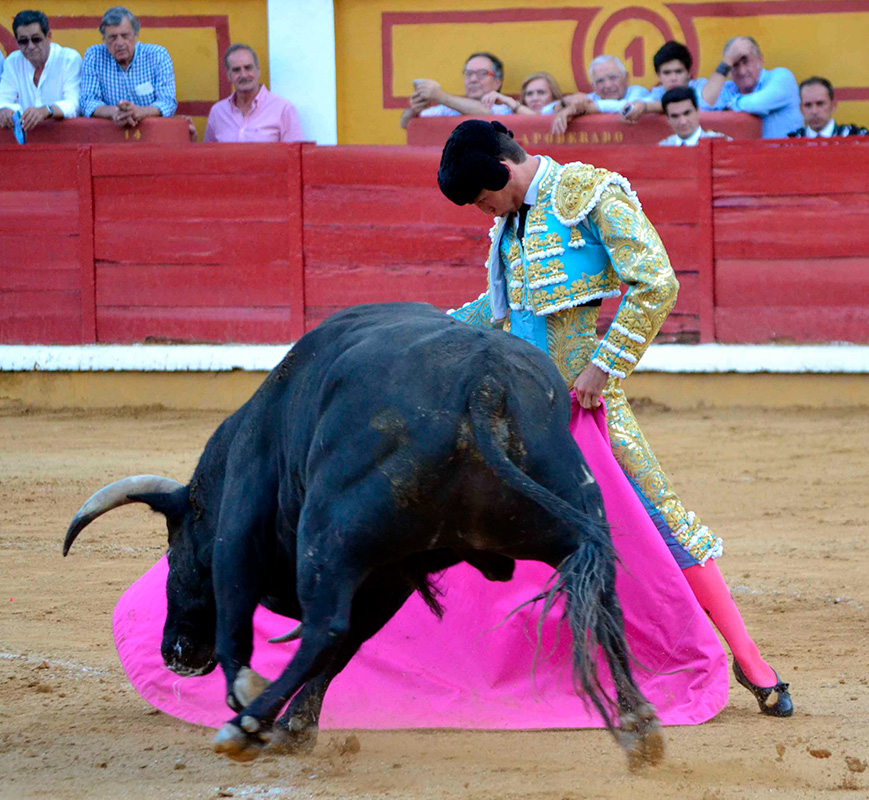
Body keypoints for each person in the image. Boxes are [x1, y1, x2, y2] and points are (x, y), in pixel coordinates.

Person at [438, 119, 794, 717]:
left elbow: (656, 282)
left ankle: (749, 658)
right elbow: (505, 312)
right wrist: (435, 328)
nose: (483, 212)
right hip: (524, 414)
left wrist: (604, 369)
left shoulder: (590, 194)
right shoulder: (511, 223)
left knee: (662, 522)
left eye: (481, 198)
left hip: (587, 412)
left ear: (503, 171)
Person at [80, 5, 176, 127]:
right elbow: (87, 101)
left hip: (151, 135)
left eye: (125, 36)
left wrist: (140, 112)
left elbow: (168, 102)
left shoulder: (157, 55)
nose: (119, 43)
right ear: (104, 39)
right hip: (109, 137)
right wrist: (114, 112)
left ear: (136, 36)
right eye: (112, 38)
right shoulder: (94, 56)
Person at [0, 9, 82, 137]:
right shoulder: (13, 62)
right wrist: (5, 110)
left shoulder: (69, 59)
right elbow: (3, 100)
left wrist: (47, 110)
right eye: (23, 41)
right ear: (17, 42)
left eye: (36, 39)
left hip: (64, 139)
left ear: (49, 37)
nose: (30, 46)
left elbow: (74, 104)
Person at [701, 36, 800, 139]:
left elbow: (758, 103)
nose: (742, 71)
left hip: (786, 153)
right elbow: (700, 106)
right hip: (743, 154)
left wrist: (730, 105)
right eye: (734, 64)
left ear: (760, 59)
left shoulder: (781, 77)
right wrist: (726, 62)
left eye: (746, 62)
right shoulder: (727, 89)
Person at [204, 44, 302, 143]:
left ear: (258, 71)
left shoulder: (283, 109)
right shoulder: (218, 112)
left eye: (248, 68)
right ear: (229, 76)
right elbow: (208, 155)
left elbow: (294, 154)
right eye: (236, 70)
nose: (243, 75)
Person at [400, 52, 512, 129]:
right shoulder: (447, 108)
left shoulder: (505, 109)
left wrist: (440, 96)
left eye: (482, 73)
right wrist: (414, 109)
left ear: (498, 82)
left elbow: (486, 114)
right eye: (468, 74)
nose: (473, 79)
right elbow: (405, 124)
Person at [551, 55, 650, 133]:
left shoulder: (639, 92)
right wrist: (565, 103)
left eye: (613, 77)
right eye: (600, 81)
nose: (607, 85)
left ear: (626, 78)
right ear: (593, 86)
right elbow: (545, 110)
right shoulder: (590, 99)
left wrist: (576, 109)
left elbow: (624, 106)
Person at [642, 41, 708, 116]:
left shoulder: (702, 86)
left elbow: (703, 105)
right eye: (667, 73)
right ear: (659, 76)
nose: (673, 78)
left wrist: (647, 107)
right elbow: (640, 106)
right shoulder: (657, 93)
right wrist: (642, 107)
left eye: (679, 72)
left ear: (689, 73)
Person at [787, 77, 868, 138]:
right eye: (808, 105)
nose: (814, 111)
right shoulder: (791, 141)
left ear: (833, 105)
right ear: (801, 109)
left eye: (820, 104)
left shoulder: (856, 137)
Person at [658, 87, 728, 146]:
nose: (683, 122)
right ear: (668, 119)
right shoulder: (663, 148)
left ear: (698, 111)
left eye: (687, 113)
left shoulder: (722, 143)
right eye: (675, 116)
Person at [481, 71, 564, 115]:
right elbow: (484, 110)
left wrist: (513, 104)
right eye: (529, 94)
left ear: (553, 95)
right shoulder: (514, 107)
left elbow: (537, 119)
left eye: (541, 93)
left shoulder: (557, 106)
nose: (534, 98)